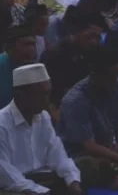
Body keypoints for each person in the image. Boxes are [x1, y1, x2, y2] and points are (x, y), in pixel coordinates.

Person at [57, 45, 118, 190]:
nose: (116, 81)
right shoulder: (75, 100)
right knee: (93, 165)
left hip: (108, 149)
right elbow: (89, 146)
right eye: (111, 77)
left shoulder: (116, 87)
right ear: (96, 74)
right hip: (80, 158)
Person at [0, 64, 82, 194]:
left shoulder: (43, 116)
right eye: (41, 95)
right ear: (19, 95)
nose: (46, 101)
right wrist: (41, 191)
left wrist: (73, 182)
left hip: (43, 181)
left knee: (83, 167)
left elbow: (58, 155)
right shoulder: (2, 123)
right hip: (16, 187)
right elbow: (6, 175)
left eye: (48, 94)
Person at [41, 11, 104, 108]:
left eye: (97, 38)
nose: (94, 41)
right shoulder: (54, 54)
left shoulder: (91, 53)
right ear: (77, 32)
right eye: (90, 36)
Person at [0, 26, 38, 108]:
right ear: (11, 47)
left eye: (33, 44)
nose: (31, 49)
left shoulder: (36, 68)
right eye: (26, 44)